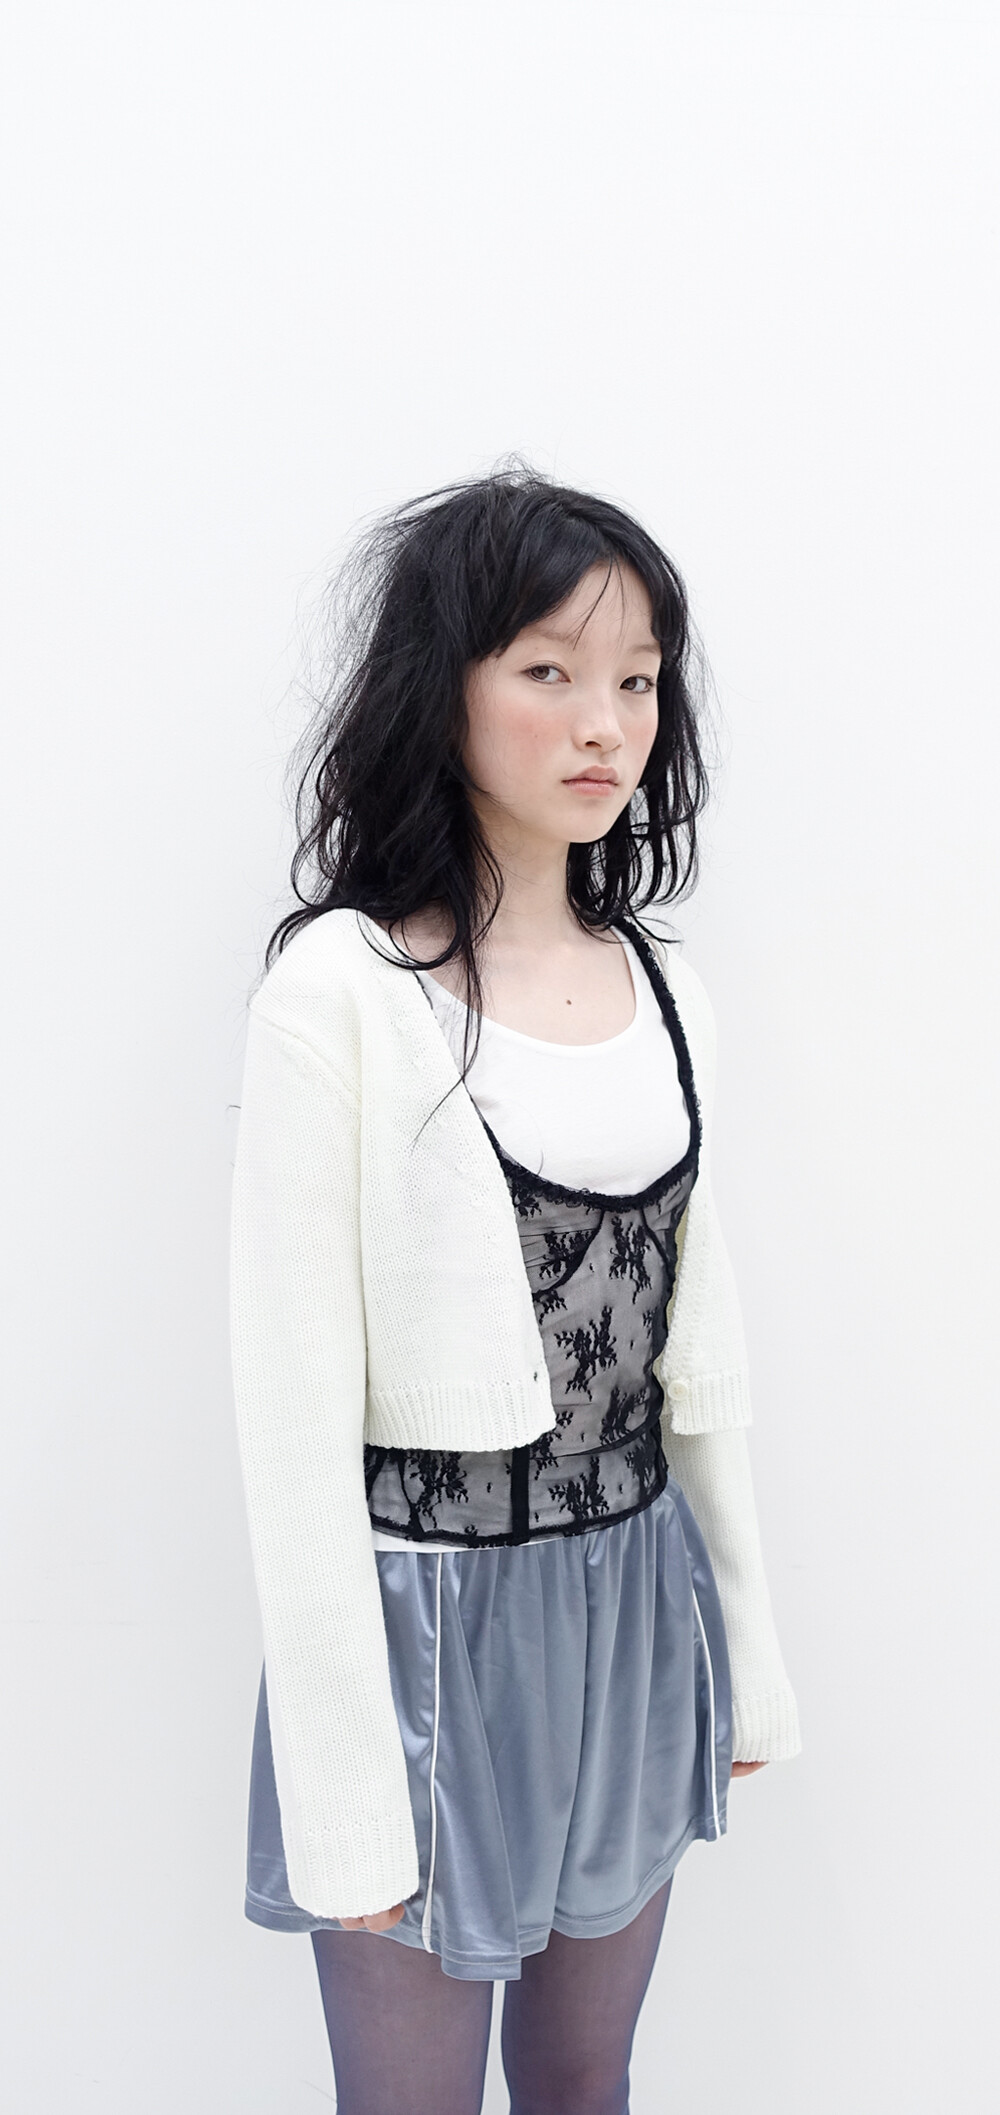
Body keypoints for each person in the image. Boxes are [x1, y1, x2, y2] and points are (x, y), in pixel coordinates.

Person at [228, 464, 802, 2114]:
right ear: (449, 687)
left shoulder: (665, 987)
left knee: (582, 2081)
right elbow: (289, 1425)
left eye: (637, 679)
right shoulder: (343, 993)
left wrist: (747, 1647)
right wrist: (346, 1793)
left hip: (637, 1607)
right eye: (549, 669)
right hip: (426, 1628)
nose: (603, 723)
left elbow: (701, 1368)